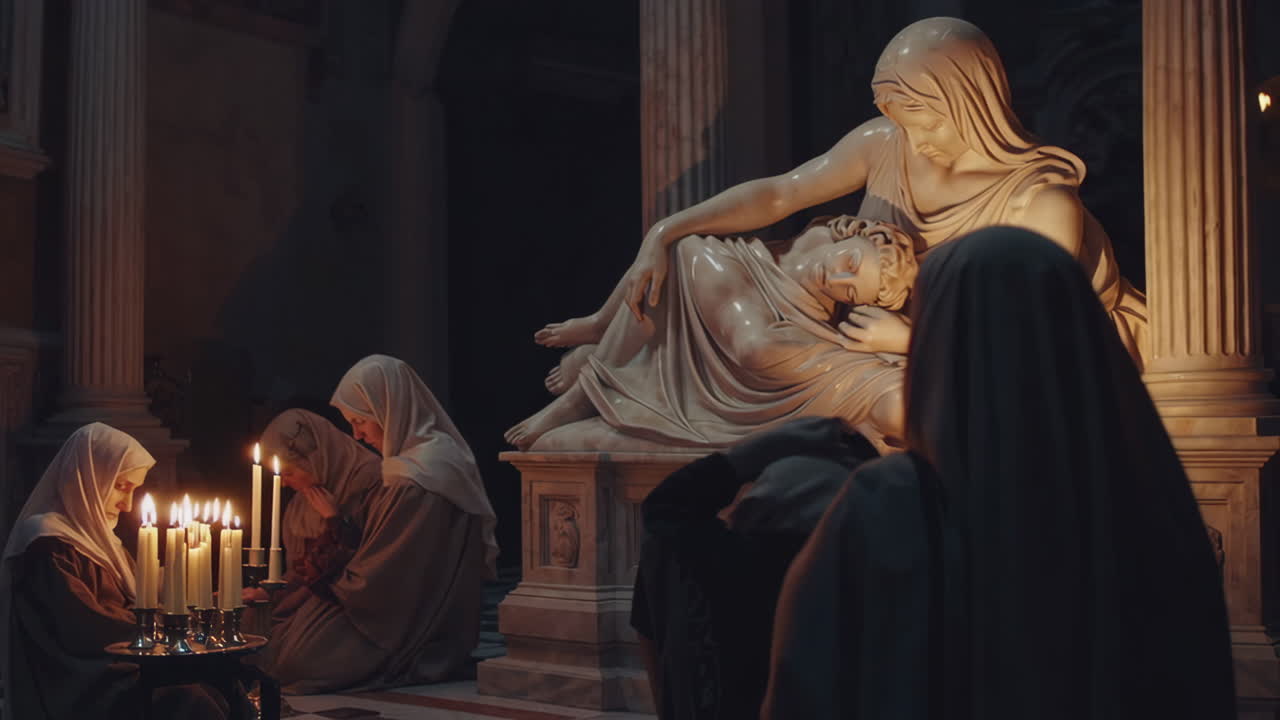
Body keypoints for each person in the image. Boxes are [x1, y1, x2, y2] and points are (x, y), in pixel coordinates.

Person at [762, 228, 1234, 719]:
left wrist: (743, 462)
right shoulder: (1153, 503)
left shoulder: (892, 504)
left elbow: (807, 686)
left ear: (934, 345)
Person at [536, 16, 1147, 371]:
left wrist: (912, 340)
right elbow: (780, 195)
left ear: (970, 100)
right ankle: (617, 361)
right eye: (902, 119)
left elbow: (1027, 339)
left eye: (925, 118)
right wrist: (662, 232)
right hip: (867, 343)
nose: (915, 137)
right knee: (699, 267)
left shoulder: (1039, 205)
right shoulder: (888, 142)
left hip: (998, 364)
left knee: (766, 357)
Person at [507, 216, 918, 452]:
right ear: (852, 235)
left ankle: (601, 360)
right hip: (741, 276)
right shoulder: (781, 242)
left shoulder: (833, 323)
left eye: (848, 289)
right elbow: (772, 193)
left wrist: (899, 344)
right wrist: (664, 231)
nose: (837, 276)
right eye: (849, 262)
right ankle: (598, 345)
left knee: (758, 344)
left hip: (796, 349)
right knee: (680, 249)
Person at [257, 355, 498, 693]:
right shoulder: (416, 467)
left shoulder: (420, 476)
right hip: (379, 601)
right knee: (278, 642)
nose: (356, 434)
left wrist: (336, 551)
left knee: (294, 658)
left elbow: (385, 572)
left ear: (391, 411)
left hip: (396, 617)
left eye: (361, 421)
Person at [631, 417, 873, 719]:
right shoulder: (859, 597)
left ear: (750, 512)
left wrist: (753, 454)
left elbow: (665, 507)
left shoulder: (713, 570)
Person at [0, 423, 225, 719]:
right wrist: (160, 623)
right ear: (89, 478)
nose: (127, 504)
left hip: (121, 660)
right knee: (188, 699)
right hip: (81, 677)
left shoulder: (100, 541)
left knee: (220, 682)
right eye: (121, 486)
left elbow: (139, 593)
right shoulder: (47, 541)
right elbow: (82, 622)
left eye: (134, 490)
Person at [246, 409, 381, 634]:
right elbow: (299, 571)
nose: (284, 485)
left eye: (288, 473)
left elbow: (369, 565)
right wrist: (268, 591)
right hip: (305, 600)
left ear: (315, 460)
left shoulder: (372, 482)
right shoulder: (301, 503)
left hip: (351, 605)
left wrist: (335, 521)